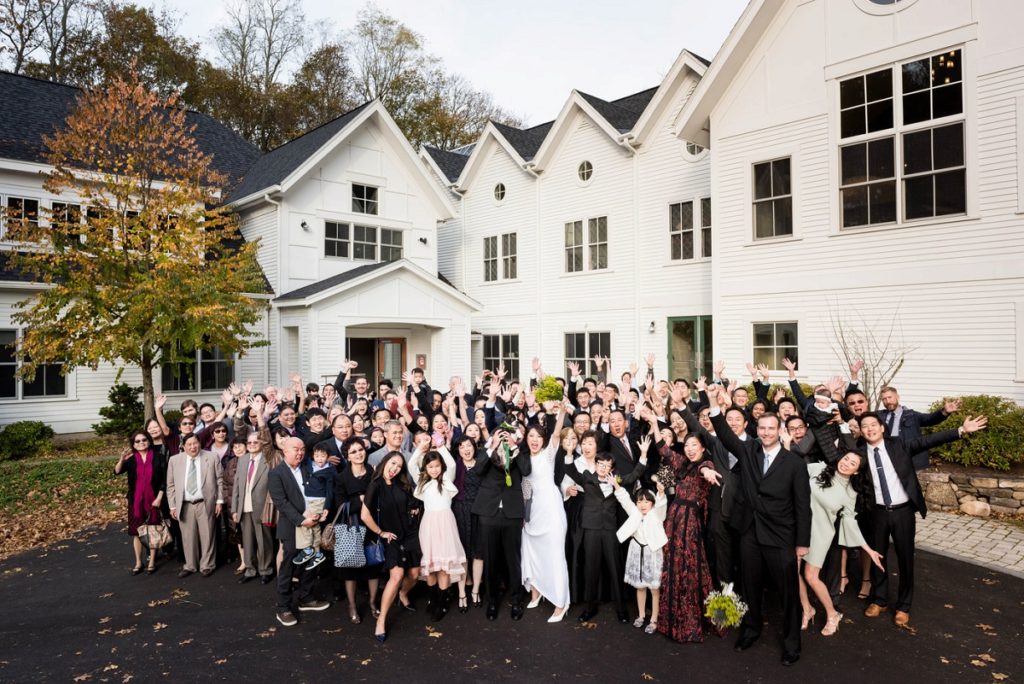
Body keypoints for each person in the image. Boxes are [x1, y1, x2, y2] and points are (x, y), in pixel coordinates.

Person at [707, 383, 810, 667]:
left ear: (780, 431)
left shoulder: (794, 463)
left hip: (781, 536)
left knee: (787, 593)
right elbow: (726, 436)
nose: (765, 432)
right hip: (750, 532)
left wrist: (802, 542)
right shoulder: (749, 451)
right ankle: (751, 630)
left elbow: (803, 506)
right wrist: (713, 401)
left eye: (771, 428)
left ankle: (791, 643)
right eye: (762, 428)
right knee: (750, 586)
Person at [858, 411, 987, 627]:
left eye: (873, 424)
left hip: (902, 512)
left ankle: (903, 606)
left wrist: (961, 430)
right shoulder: (859, 453)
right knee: (877, 557)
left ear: (882, 428)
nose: (869, 428)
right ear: (861, 431)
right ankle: (879, 600)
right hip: (876, 512)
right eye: (865, 426)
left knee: (905, 558)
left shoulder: (899, 445)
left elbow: (927, 440)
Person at [785, 448, 885, 636]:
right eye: (845, 458)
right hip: (798, 528)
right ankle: (807, 609)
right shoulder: (818, 469)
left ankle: (832, 614)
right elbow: (792, 469)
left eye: (852, 463)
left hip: (821, 533)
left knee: (811, 576)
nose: (846, 463)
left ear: (856, 471)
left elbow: (850, 522)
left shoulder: (850, 492)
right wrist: (787, 444)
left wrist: (868, 550)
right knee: (792, 570)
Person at [563, 440, 648, 624]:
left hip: (610, 530)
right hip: (591, 529)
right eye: (600, 464)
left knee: (615, 569)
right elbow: (570, 470)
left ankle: (621, 609)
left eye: (607, 465)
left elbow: (634, 476)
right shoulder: (586, 477)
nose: (602, 468)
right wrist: (569, 452)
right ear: (596, 464)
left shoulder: (616, 480)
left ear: (611, 467)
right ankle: (590, 608)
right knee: (590, 569)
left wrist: (642, 455)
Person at [656, 432, 722, 642]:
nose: (690, 449)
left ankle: (689, 624)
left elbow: (707, 469)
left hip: (690, 522)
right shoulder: (682, 463)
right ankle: (671, 621)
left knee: (690, 567)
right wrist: (655, 423)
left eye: (695, 445)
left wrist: (708, 472)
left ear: (703, 448)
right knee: (672, 566)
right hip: (674, 519)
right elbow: (663, 449)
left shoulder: (706, 463)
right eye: (688, 445)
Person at [472, 409, 532, 622]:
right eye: (501, 434)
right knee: (491, 558)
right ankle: (492, 601)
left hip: (512, 512)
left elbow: (526, 471)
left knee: (513, 559)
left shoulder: (519, 452)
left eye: (508, 435)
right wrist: (492, 445)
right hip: (488, 512)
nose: (504, 438)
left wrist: (515, 446)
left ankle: (516, 601)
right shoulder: (487, 451)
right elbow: (477, 470)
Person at [268, 437, 330, 627]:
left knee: (311, 562)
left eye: (303, 449)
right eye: (296, 449)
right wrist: (302, 520)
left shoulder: (308, 468)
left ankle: (306, 597)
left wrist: (323, 509)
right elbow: (281, 503)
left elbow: (320, 490)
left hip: (314, 523)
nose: (300, 452)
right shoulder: (276, 474)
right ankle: (283, 607)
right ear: (284, 451)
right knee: (288, 567)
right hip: (292, 527)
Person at [361, 451, 422, 642]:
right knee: (396, 576)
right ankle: (381, 621)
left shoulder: (402, 484)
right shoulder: (375, 485)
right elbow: (365, 515)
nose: (394, 468)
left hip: (410, 533)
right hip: (392, 537)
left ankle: (403, 594)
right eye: (392, 463)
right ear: (385, 462)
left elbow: (414, 503)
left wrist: (414, 508)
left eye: (398, 466)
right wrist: (381, 532)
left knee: (414, 574)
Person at [521, 401, 571, 623]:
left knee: (554, 554)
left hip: (551, 508)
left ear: (543, 440)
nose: (534, 440)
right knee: (531, 552)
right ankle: (536, 591)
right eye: (530, 436)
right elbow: (524, 488)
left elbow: (557, 434)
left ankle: (561, 603)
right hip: (532, 511)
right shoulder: (523, 459)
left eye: (537, 437)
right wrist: (525, 514)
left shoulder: (548, 455)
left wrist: (560, 412)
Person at [409, 444, 466, 622]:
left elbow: (453, 464)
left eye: (437, 466)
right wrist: (420, 448)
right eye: (430, 466)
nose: (434, 469)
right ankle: (432, 599)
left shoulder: (447, 479)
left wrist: (440, 447)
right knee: (431, 567)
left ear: (441, 466)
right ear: (425, 468)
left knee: (443, 567)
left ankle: (441, 602)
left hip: (446, 525)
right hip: (429, 525)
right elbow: (411, 464)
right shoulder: (423, 482)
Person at [334, 437, 380, 624]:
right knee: (350, 568)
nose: (358, 454)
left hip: (373, 525)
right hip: (352, 527)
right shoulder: (341, 477)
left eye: (360, 450)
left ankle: (372, 603)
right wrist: (359, 500)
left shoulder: (374, 473)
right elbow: (339, 505)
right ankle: (352, 605)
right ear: (347, 456)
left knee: (374, 566)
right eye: (353, 452)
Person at [166, 433, 224, 578]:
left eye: (195, 443)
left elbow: (220, 480)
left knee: (208, 535)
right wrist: (172, 506)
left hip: (205, 502)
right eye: (189, 444)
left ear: (200, 443)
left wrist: (219, 501)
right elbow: (170, 485)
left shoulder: (211, 457)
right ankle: (190, 565)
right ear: (183, 446)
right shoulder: (174, 460)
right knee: (187, 537)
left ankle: (207, 565)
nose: (193, 447)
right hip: (185, 504)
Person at [613, 481, 667, 635]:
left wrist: (661, 494)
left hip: (652, 553)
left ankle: (654, 619)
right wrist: (617, 487)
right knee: (640, 586)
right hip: (636, 551)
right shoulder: (635, 512)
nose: (643, 504)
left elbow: (662, 506)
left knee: (654, 588)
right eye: (639, 501)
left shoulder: (656, 514)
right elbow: (625, 500)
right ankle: (642, 615)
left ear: (652, 503)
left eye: (647, 501)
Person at [114, 431, 166, 575]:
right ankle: (138, 561)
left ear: (149, 441)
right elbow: (117, 471)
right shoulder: (130, 460)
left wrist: (160, 497)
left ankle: (151, 561)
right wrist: (121, 459)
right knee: (137, 533)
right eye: (137, 441)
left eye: (144, 440)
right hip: (135, 501)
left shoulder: (159, 458)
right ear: (133, 444)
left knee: (152, 530)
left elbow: (164, 480)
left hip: (153, 501)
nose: (141, 443)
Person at [878, 386, 962, 470]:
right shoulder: (878, 416)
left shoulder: (912, 415)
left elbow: (930, 419)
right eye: (884, 399)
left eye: (890, 397)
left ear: (897, 397)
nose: (888, 401)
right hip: (889, 462)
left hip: (912, 462)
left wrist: (944, 411)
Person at [231, 428, 275, 585]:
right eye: (249, 442)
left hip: (262, 507)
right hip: (244, 507)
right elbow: (236, 486)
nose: (252, 445)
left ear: (262, 443)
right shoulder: (242, 460)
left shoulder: (268, 460)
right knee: (247, 540)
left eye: (255, 442)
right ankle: (250, 570)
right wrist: (235, 509)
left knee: (264, 540)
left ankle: (266, 570)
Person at [451, 434, 484, 610]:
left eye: (469, 445)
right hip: (460, 511)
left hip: (479, 512)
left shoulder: (481, 464)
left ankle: (476, 590)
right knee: (462, 553)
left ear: (474, 446)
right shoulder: (454, 467)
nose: (466, 449)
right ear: (458, 450)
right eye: (462, 446)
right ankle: (462, 591)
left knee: (479, 552)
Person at [292, 445, 335, 569]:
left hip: (319, 502)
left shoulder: (330, 471)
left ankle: (307, 549)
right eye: (317, 456)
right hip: (308, 501)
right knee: (315, 528)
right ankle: (317, 553)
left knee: (304, 522)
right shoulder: (309, 464)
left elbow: (330, 491)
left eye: (323, 456)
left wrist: (326, 508)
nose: (320, 459)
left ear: (328, 457)